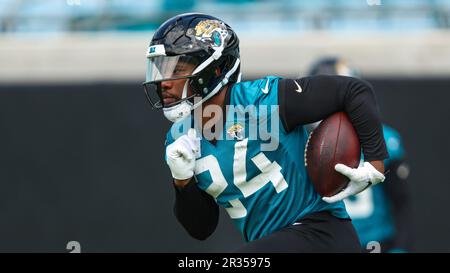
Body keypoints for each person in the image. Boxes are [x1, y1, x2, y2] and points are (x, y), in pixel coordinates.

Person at [143, 13, 388, 252]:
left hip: (320, 232)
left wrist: (375, 165)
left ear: (216, 69)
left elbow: (355, 91)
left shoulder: (264, 100)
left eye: (177, 69)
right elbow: (202, 228)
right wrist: (182, 182)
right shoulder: (180, 137)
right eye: (162, 70)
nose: (164, 81)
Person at [308, 57, 413, 252]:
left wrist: (401, 248)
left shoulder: (385, 138)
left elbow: (402, 202)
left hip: (377, 245)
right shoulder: (306, 144)